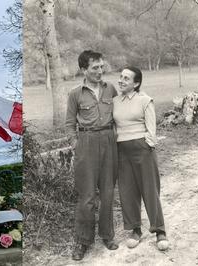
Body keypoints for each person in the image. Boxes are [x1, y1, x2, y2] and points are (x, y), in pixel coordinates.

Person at [65, 50, 118, 261]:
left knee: (107, 193)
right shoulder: (75, 94)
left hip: (108, 141)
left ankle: (107, 235)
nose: (100, 71)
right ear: (83, 70)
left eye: (101, 66)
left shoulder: (111, 88)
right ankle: (83, 241)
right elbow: (70, 124)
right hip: (86, 143)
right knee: (86, 196)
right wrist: (76, 144)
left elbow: (121, 114)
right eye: (94, 67)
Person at [113, 66, 169, 251]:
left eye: (126, 78)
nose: (121, 80)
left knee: (150, 189)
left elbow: (151, 130)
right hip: (122, 151)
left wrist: (146, 146)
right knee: (127, 191)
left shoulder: (145, 100)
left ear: (136, 83)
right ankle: (135, 229)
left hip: (142, 150)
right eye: (121, 77)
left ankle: (159, 230)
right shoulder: (114, 101)